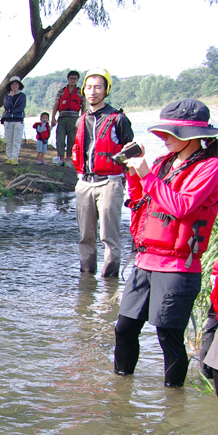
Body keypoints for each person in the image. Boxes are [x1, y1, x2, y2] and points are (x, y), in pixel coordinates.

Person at [114, 99, 218, 388]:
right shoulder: (162, 162)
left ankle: (173, 404)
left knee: (168, 337)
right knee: (124, 328)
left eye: (171, 133)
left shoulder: (211, 167)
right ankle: (120, 392)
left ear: (193, 136)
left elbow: (182, 206)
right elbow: (140, 203)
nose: (164, 138)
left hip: (178, 267)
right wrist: (135, 173)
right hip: (145, 261)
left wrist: (147, 174)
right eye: (163, 132)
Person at [71, 67, 134, 277]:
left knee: (109, 237)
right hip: (84, 183)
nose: (93, 91)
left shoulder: (118, 119)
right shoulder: (81, 120)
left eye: (98, 87)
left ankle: (110, 285)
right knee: (85, 236)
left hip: (110, 182)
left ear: (106, 90)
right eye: (88, 87)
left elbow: (132, 152)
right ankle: (87, 281)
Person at [51, 70, 85, 167]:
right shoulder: (61, 91)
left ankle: (68, 159)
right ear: (68, 79)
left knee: (72, 139)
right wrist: (53, 117)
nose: (72, 80)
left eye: (75, 79)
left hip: (74, 118)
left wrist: (82, 119)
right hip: (62, 117)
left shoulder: (80, 92)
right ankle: (61, 158)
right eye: (71, 78)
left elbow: (83, 105)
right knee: (60, 138)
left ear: (77, 80)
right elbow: (56, 104)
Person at [1, 76, 26, 165]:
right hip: (8, 120)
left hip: (18, 120)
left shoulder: (22, 96)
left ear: (19, 85)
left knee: (16, 140)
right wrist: (10, 97)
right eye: (12, 84)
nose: (14, 86)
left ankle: (15, 157)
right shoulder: (7, 96)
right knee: (8, 140)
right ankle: (9, 157)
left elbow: (21, 107)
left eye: (16, 84)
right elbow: (6, 106)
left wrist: (11, 111)